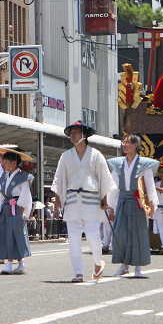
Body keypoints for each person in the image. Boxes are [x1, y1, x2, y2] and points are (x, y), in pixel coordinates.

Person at [52, 120, 117, 282]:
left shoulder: (96, 155)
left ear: (84, 135)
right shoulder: (66, 156)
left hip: (91, 200)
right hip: (72, 200)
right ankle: (78, 273)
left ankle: (97, 263)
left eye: (76, 132)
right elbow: (60, 178)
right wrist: (58, 198)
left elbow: (103, 178)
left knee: (92, 236)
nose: (73, 135)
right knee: (73, 239)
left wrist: (105, 199)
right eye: (71, 132)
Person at [107, 133, 159, 278]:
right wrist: (112, 207)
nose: (124, 145)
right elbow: (114, 187)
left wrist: (151, 206)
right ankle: (123, 264)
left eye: (127, 142)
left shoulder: (144, 165)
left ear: (135, 145)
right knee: (121, 233)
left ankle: (138, 267)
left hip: (138, 202)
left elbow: (149, 186)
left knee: (138, 234)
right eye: (123, 142)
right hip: (123, 201)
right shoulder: (118, 164)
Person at [0, 146, 34, 274]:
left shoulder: (22, 177)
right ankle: (21, 263)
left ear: (13, 163)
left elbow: (25, 195)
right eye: (3, 161)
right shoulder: (4, 176)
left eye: (5, 162)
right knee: (8, 235)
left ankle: (9, 263)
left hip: (16, 209)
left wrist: (22, 213)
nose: (3, 164)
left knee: (14, 235)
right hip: (7, 207)